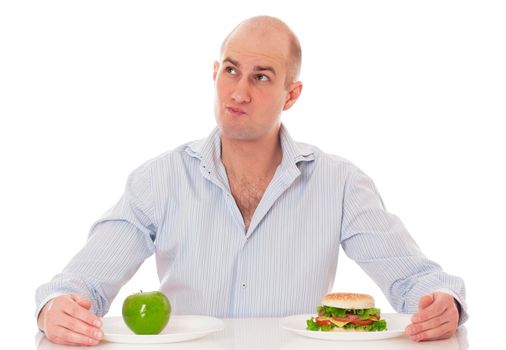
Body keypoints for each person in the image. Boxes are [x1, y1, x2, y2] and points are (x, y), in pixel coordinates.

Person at [35, 16, 467, 346]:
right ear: (215, 73)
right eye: (231, 70)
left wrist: (440, 304)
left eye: (261, 76)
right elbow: (80, 286)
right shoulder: (159, 179)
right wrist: (57, 309)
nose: (239, 92)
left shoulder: (339, 183)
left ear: (291, 94)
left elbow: (416, 282)